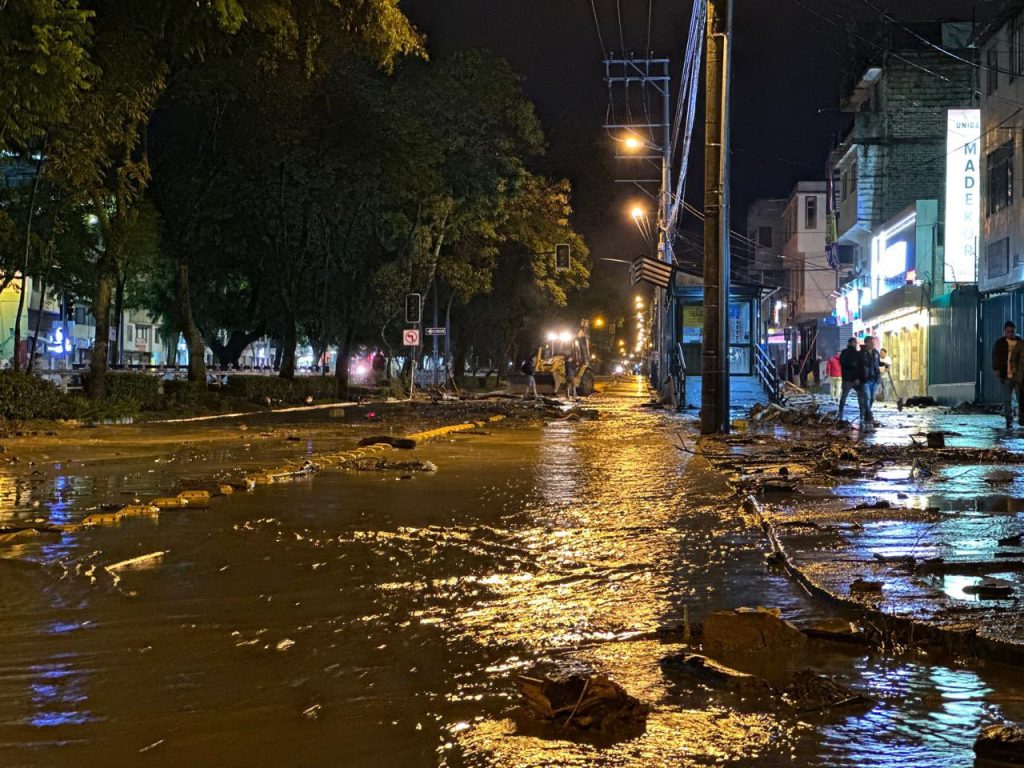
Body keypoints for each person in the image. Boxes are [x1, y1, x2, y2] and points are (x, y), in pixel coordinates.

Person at [993, 320, 1024, 428]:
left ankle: (1021, 419)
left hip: (1018, 376)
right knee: (1007, 400)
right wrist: (996, 368)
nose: (1011, 334)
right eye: (1008, 331)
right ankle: (1009, 420)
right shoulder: (1000, 343)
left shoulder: (1020, 342)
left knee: (1021, 399)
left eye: (1012, 332)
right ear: (1004, 332)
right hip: (1006, 375)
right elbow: (996, 356)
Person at [838, 337, 869, 427]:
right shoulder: (853, 353)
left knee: (845, 396)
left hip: (849, 378)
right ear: (851, 343)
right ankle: (861, 414)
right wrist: (858, 376)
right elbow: (858, 366)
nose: (856, 344)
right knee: (858, 397)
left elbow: (843, 363)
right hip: (853, 379)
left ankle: (841, 412)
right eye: (855, 342)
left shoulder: (847, 352)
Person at [862, 335, 881, 421]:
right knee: (867, 397)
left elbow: (878, 363)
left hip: (875, 379)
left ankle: (867, 411)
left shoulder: (876, 353)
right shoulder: (862, 354)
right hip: (866, 379)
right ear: (866, 343)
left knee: (872, 397)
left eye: (872, 342)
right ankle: (868, 414)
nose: (872, 343)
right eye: (870, 342)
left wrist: (884, 365)